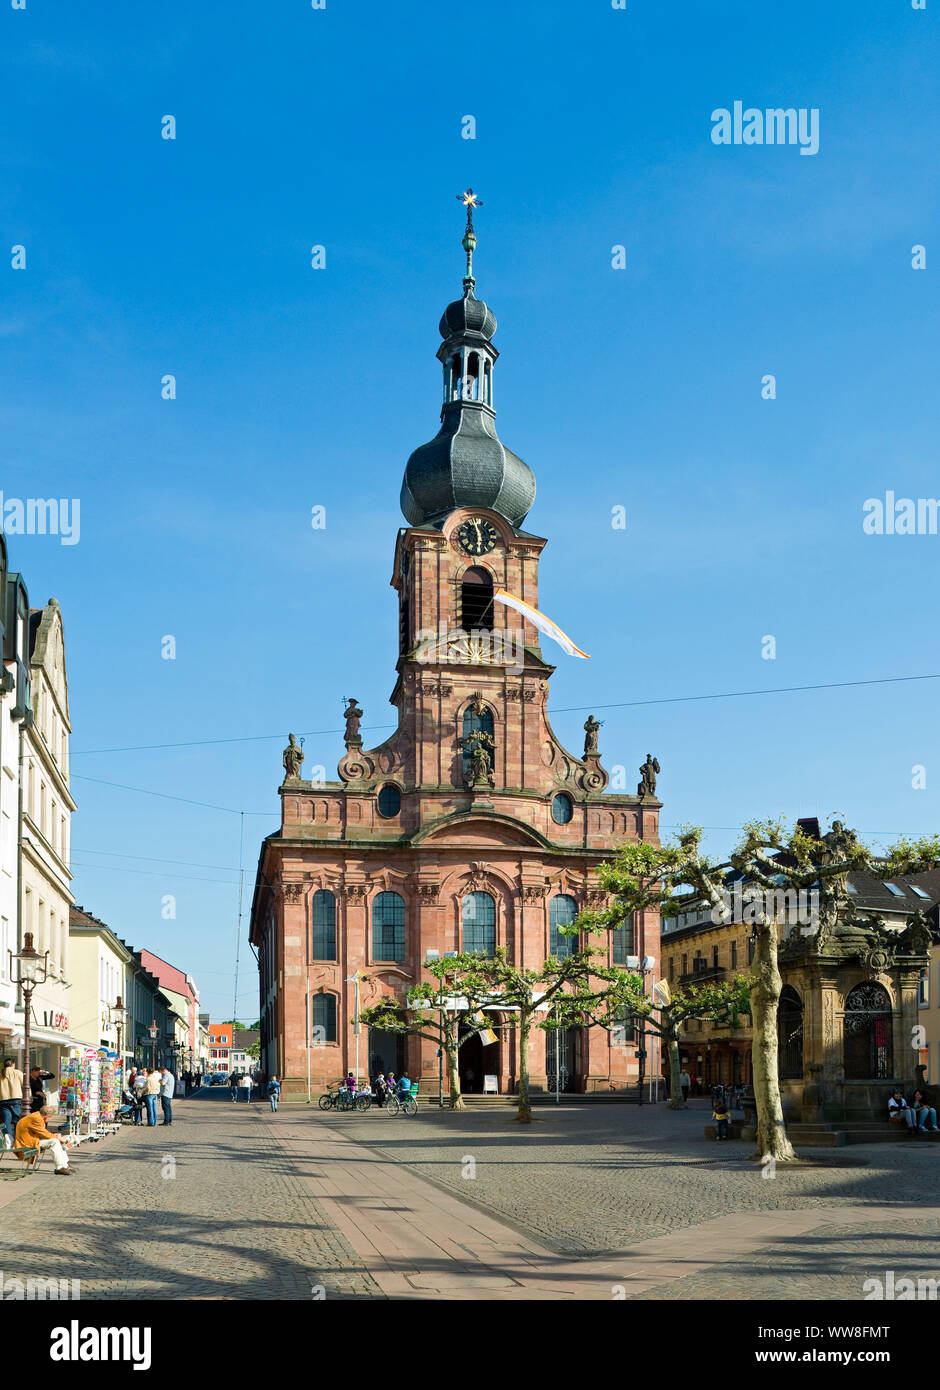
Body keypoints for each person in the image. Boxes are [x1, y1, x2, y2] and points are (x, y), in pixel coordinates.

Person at [15, 1105, 73, 1175]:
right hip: (27, 1142)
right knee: (54, 1142)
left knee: (57, 1140)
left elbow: (42, 1133)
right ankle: (59, 1167)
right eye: (50, 1118)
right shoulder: (36, 1119)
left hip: (32, 1139)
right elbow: (44, 1134)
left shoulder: (37, 1116)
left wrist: (56, 1136)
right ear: (47, 1117)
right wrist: (58, 1137)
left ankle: (65, 1165)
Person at [0, 1058, 24, 1150]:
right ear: (13, 1064)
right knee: (17, 1120)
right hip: (15, 1099)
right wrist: (29, 1096)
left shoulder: (1, 1074)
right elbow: (25, 1085)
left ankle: (8, 1141)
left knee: (6, 1121)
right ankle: (18, 1141)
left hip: (3, 1099)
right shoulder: (18, 1072)